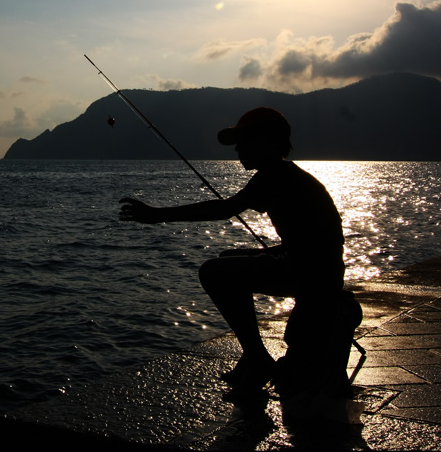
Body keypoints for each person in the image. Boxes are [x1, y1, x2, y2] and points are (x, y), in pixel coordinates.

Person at [119, 107, 346, 392]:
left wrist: (156, 215)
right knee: (228, 259)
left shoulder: (273, 176)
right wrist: (269, 252)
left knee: (212, 272)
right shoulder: (287, 175)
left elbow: (224, 209)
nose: (238, 150)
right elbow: (311, 240)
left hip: (312, 276)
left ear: (266, 142)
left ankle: (257, 356)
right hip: (316, 268)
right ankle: (254, 355)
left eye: (244, 142)